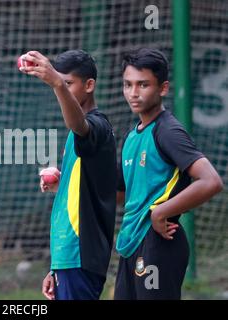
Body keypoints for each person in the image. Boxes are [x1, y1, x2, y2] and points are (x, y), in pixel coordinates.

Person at [115, 48, 224, 300]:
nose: (133, 93)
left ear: (163, 88)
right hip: (131, 244)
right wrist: (69, 184)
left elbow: (211, 181)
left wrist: (162, 211)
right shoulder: (132, 136)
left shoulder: (167, 131)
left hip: (159, 243)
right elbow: (119, 195)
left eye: (143, 85)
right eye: (128, 84)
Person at [20, 50, 117, 300]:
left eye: (68, 83)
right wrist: (55, 267)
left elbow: (80, 126)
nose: (63, 88)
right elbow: (86, 188)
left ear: (90, 85)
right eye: (61, 82)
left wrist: (56, 83)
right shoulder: (77, 132)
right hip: (67, 256)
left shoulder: (97, 125)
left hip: (80, 254)